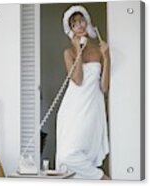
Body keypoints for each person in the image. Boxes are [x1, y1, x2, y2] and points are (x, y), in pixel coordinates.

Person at [55, 5, 111, 180]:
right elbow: (78, 79)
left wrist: (107, 57)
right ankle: (102, 179)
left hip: (92, 104)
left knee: (83, 152)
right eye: (74, 24)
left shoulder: (99, 50)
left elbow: (104, 87)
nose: (78, 25)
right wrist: (78, 49)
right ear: (70, 30)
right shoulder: (68, 52)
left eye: (81, 21)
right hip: (73, 105)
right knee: (67, 154)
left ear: (87, 23)